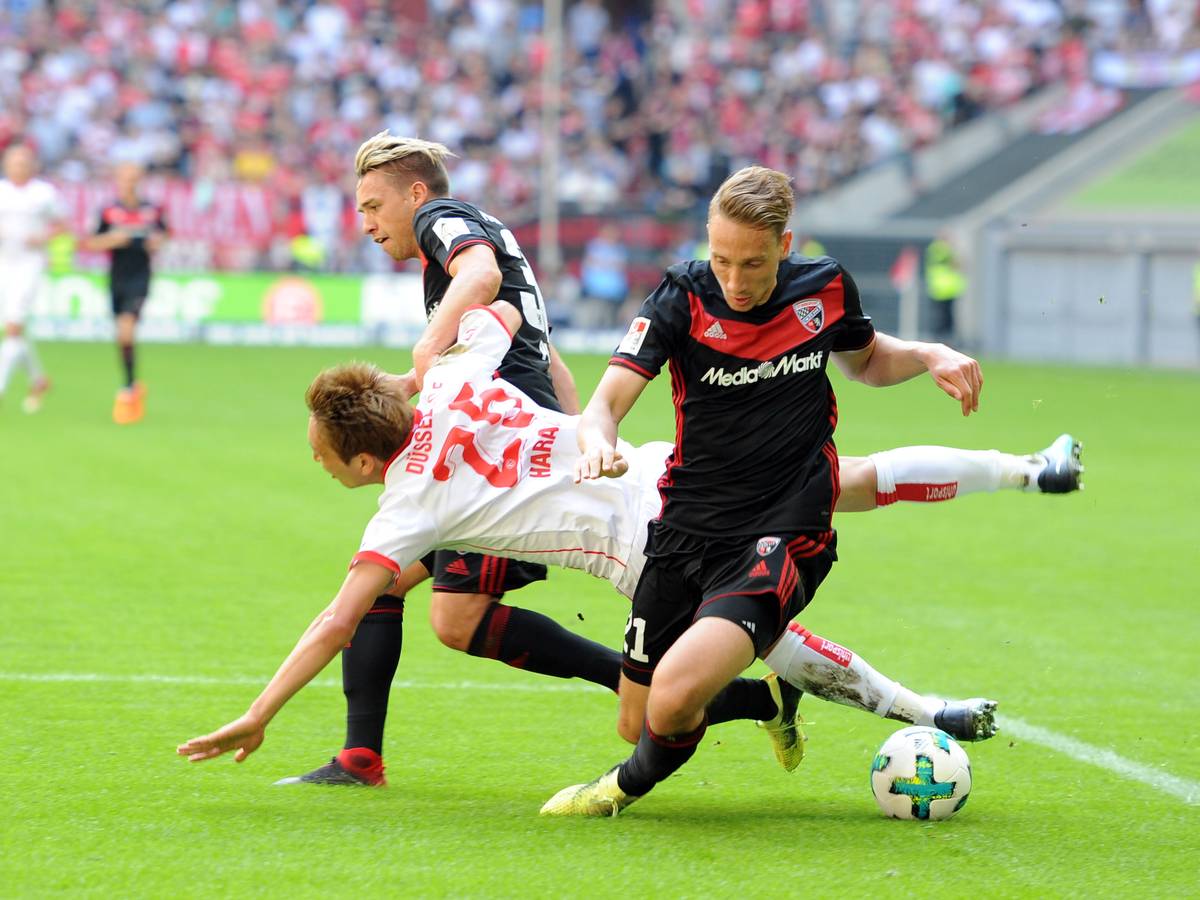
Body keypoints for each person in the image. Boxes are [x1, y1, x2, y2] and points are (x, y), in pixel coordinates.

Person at [177, 302, 1079, 783]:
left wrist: (261, 711)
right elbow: (495, 312)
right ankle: (1029, 467)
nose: (323, 470)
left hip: (650, 552)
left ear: (367, 457)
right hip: (660, 464)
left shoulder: (405, 505)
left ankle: (922, 713)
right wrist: (421, 361)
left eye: (326, 459)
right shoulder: (449, 377)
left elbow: (341, 620)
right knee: (848, 480)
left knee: (717, 664)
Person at [541, 166, 985, 817]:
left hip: (784, 529)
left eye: (752, 263)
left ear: (785, 244)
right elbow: (605, 401)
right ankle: (769, 700)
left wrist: (925, 354)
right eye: (721, 259)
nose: (735, 280)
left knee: (672, 698)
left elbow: (864, 360)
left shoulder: (825, 288)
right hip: (687, 526)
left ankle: (611, 792)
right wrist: (598, 441)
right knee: (639, 719)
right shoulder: (681, 297)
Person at [274, 130, 616, 787]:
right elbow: (544, 353)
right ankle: (358, 758)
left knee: (455, 620)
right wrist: (580, 431)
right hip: (502, 443)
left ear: (417, 194)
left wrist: (427, 348)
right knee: (389, 583)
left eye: (374, 206)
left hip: (492, 458)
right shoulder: (482, 240)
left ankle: (645, 681)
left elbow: (481, 277)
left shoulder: (444, 221)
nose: (366, 223)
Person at [79, 162, 167, 424]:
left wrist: (156, 243)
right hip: (117, 276)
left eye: (133, 179)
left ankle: (127, 391)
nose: (128, 183)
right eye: (124, 179)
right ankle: (131, 382)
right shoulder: (108, 211)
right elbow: (91, 243)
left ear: (139, 180)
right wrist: (113, 240)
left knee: (127, 328)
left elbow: (164, 236)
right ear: (117, 180)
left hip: (140, 277)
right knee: (121, 335)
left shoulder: (151, 211)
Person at [0, 143, 67, 413]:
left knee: (13, 327)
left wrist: (42, 238)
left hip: (30, 262)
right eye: (14, 162)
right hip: (4, 261)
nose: (19, 167)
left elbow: (63, 225)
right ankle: (38, 380)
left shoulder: (44, 194)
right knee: (13, 329)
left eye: (24, 162)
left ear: (32, 166)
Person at [924, 232, 966, 344]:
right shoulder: (941, 249)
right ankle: (941, 340)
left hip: (946, 290)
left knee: (946, 318)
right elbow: (956, 263)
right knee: (942, 318)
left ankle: (945, 339)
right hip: (942, 289)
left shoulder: (940, 249)